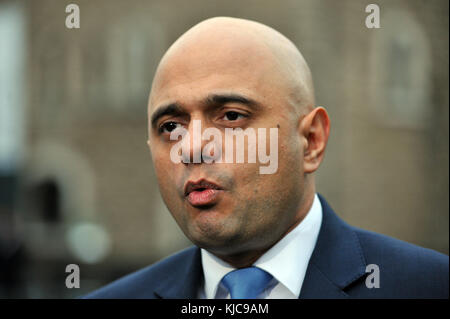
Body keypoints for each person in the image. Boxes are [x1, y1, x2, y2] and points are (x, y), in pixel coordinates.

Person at [85, 17, 448, 299]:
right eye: (170, 126)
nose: (191, 146)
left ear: (311, 141)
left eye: (230, 116)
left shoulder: (429, 286)